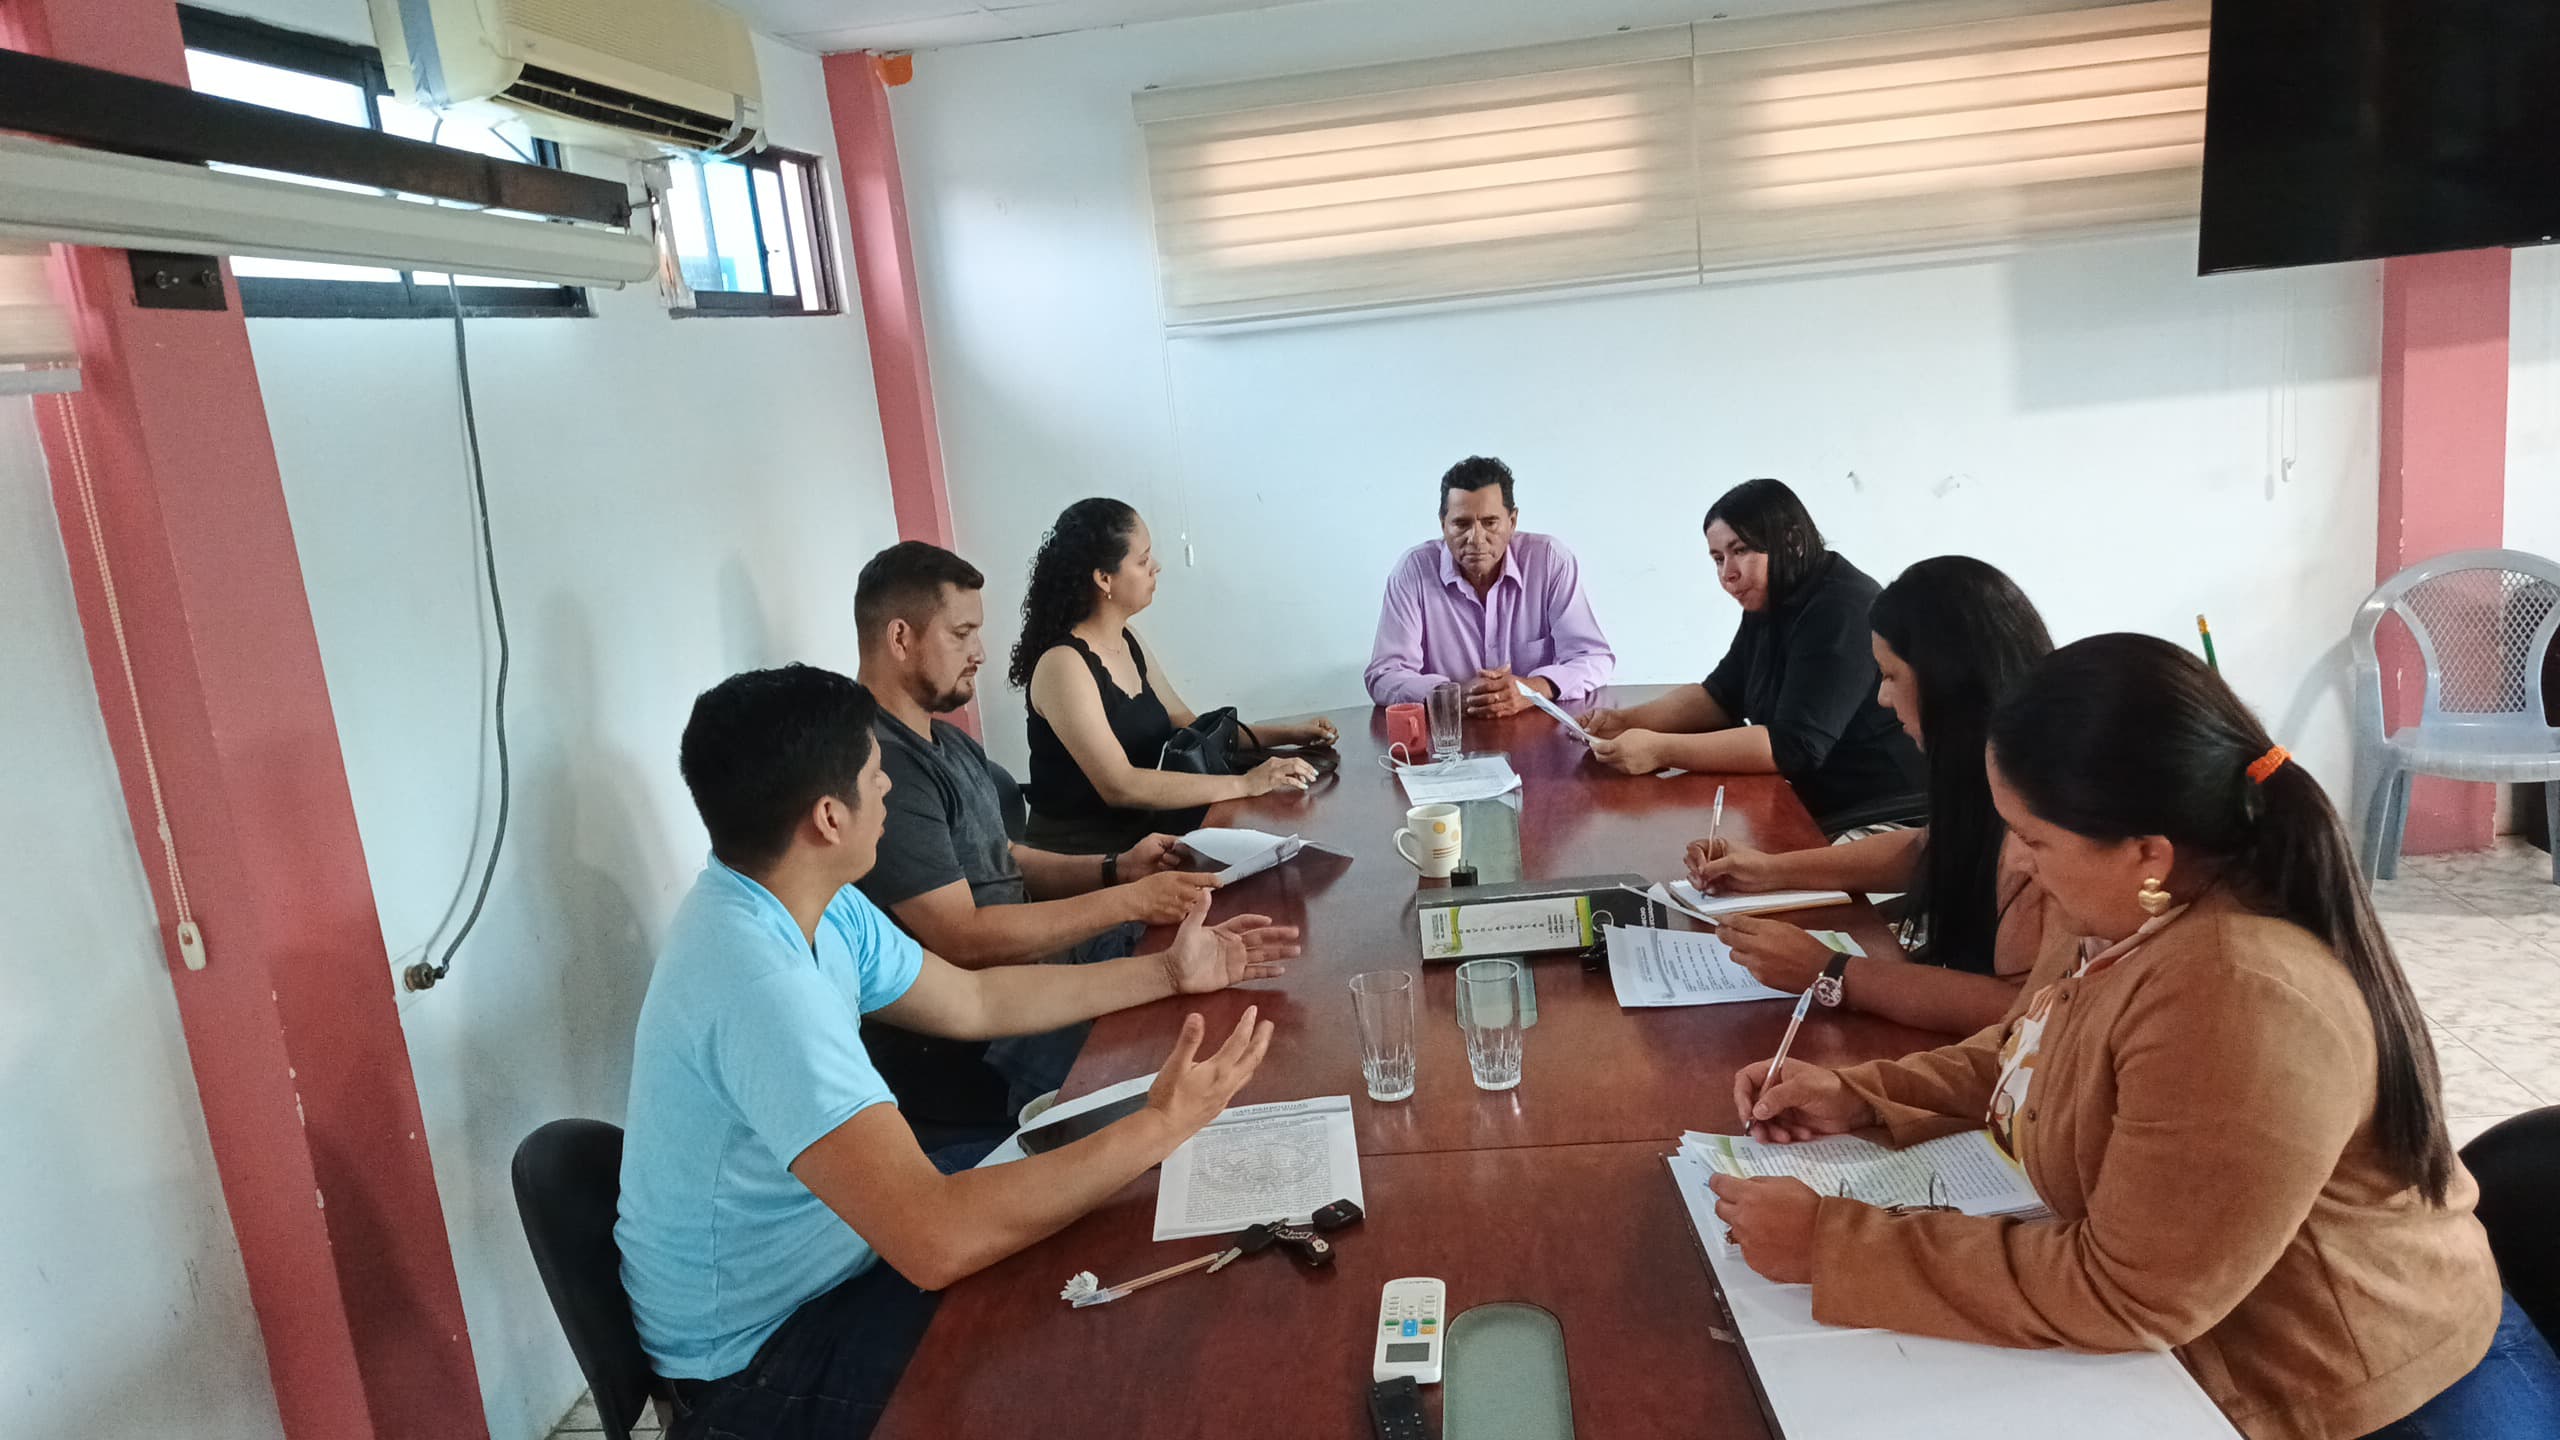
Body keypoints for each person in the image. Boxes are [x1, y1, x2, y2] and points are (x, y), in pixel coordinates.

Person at [1710, 635, 2558, 1440]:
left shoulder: (2237, 992)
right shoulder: (2124, 914)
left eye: (2034, 839)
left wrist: (1832, 1245)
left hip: (2369, 1399)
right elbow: (2031, 1049)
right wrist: (1861, 1095)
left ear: (2147, 852)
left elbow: (2127, 1291)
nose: (2019, 863)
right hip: (2213, 1358)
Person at [618, 664, 1297, 1440]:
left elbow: (975, 1001)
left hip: (847, 1244)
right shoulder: (759, 983)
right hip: (761, 1358)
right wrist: (1158, 1126)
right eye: (874, 776)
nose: (888, 790)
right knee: (1090, 1344)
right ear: (829, 819)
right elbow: (936, 1240)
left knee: (1113, 1206)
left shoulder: (815, 903)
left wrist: (1169, 973)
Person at [853, 540, 1231, 1126]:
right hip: (985, 1034)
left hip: (1037, 968)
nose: (979, 653)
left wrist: (1117, 868)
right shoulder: (883, 770)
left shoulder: (946, 741)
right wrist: (1128, 899)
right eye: (962, 634)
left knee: (1220, 957)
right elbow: (963, 939)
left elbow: (1003, 856)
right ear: (900, 638)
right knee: (1189, 1050)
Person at [1687, 556, 2054, 1036]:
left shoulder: (2041, 800)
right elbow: (1930, 847)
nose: (1881, 697)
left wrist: (1832, 972)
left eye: (1891, 676)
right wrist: (1768, 870)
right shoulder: (1978, 765)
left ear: (1947, 679)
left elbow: (2019, 1009)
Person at [1581, 478, 1925, 834]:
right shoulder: (1773, 595)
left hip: (1880, 814)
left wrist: (1660, 750)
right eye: (1718, 559)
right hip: (1811, 801)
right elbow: (1720, 695)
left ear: (1791, 541)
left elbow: (1793, 747)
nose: (1728, 574)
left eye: (1741, 550)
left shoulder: (1841, 607)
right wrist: (1627, 721)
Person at [1016, 498, 1337, 853]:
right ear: (1104, 578)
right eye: (1143, 561)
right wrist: (1246, 784)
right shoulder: (1063, 665)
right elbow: (1120, 785)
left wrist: (1290, 734)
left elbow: (1191, 728)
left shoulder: (1128, 640)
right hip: (1087, 856)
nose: (1156, 567)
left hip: (1145, 836)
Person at [1364, 455, 1615, 718]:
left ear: (1512, 521)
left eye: (1490, 522)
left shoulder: (1549, 560)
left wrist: (1532, 689)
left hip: (1538, 726)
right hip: (1452, 734)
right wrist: (1451, 695)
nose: (1476, 538)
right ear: (1443, 524)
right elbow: (1384, 675)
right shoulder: (1414, 571)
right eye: (1461, 524)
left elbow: (1593, 657)